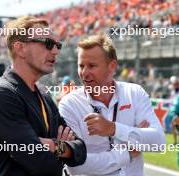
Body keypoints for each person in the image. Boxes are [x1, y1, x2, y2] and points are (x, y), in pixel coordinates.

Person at [0, 16, 86, 176]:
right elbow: (42, 164)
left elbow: (81, 151)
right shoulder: (1, 95)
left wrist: (53, 146)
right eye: (48, 44)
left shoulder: (43, 94)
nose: (56, 51)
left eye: (57, 45)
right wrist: (63, 149)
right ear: (20, 48)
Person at [59, 34, 165, 176]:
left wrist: (113, 129)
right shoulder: (69, 104)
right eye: (81, 66)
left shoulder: (134, 93)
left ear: (112, 66)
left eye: (92, 66)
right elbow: (76, 166)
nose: (84, 73)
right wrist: (127, 153)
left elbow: (158, 142)